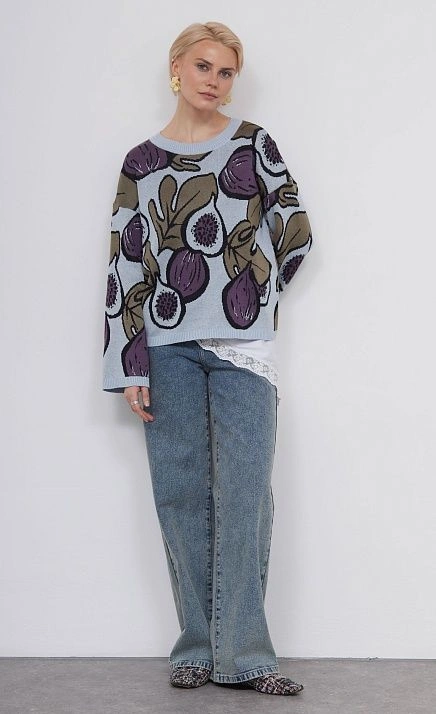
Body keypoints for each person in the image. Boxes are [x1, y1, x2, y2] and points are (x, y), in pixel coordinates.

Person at [103, 20, 313, 696]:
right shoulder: (141, 163)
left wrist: (252, 292)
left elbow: (296, 229)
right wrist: (128, 363)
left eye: (225, 72)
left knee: (246, 497)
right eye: (203, 66)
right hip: (165, 348)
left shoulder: (253, 144)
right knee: (181, 496)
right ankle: (195, 648)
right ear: (176, 68)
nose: (213, 82)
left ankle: (246, 658)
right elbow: (125, 264)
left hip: (242, 349)